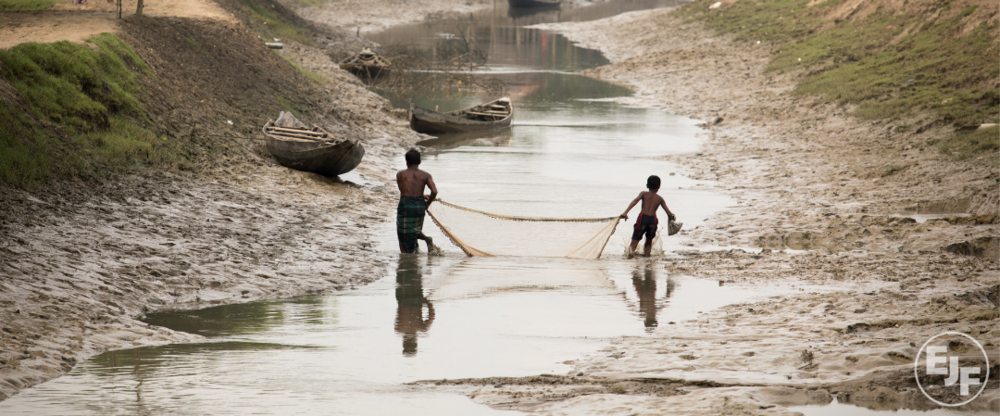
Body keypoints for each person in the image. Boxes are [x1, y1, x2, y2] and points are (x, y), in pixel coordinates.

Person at [620, 175, 676, 257]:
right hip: (653, 220)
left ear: (647, 185)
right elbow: (669, 214)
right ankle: (647, 257)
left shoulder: (643, 194)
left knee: (634, 242)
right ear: (659, 187)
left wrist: (625, 212)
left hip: (643, 218)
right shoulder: (660, 198)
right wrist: (672, 217)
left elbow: (635, 201)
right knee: (649, 241)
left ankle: (631, 253)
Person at [396, 149, 437, 254]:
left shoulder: (400, 174)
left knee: (403, 232)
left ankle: (406, 258)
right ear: (420, 161)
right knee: (415, 229)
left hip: (405, 205)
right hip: (419, 205)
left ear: (407, 162)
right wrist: (426, 204)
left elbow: (406, 191)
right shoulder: (426, 175)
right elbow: (434, 192)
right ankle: (427, 239)